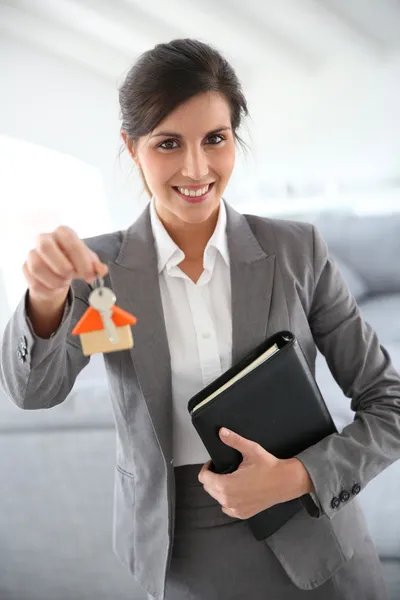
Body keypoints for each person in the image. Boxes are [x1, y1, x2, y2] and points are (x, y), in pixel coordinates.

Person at [1, 38, 399, 600]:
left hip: (316, 537)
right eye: (168, 144)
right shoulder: (96, 271)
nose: (196, 168)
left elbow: (391, 404)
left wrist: (297, 476)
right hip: (181, 553)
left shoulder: (297, 251)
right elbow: (34, 393)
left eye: (216, 139)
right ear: (130, 147)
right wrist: (44, 301)